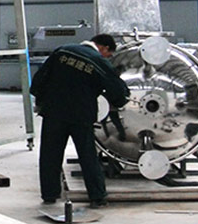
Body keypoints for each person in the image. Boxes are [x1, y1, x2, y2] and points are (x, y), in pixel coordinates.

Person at [29, 33, 130, 208]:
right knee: (87, 156)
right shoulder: (98, 61)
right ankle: (97, 197)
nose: (108, 57)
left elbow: (39, 79)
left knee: (50, 154)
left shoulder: (62, 51)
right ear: (104, 47)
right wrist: (118, 102)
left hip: (54, 112)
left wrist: (41, 99)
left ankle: (49, 194)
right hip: (81, 115)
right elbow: (118, 90)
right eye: (109, 54)